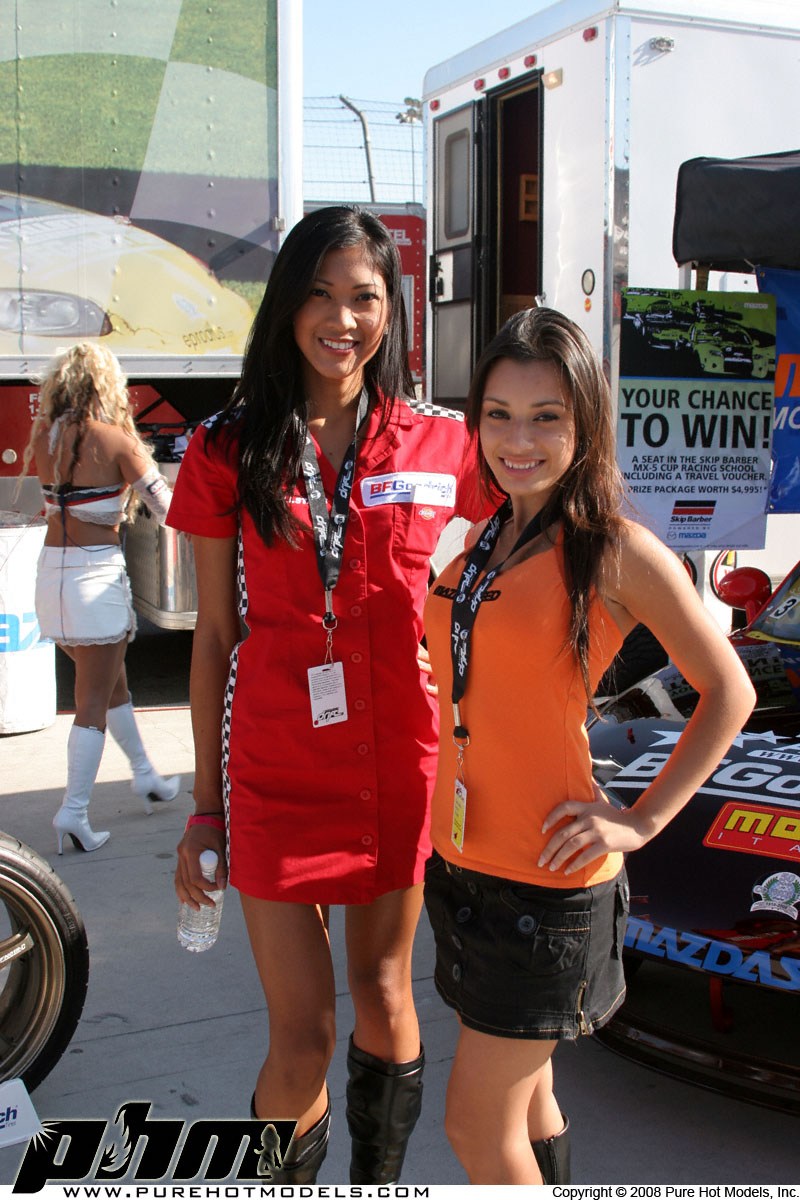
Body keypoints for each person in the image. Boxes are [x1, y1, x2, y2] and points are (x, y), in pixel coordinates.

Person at [168, 206, 484, 1184]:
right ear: (286, 304)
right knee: (301, 1036)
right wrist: (205, 806)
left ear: (391, 311)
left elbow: (511, 563)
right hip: (273, 771)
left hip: (398, 763)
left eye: (363, 297)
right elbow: (214, 637)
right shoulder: (226, 446)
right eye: (318, 294)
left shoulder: (441, 442)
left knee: (386, 997)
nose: (341, 320)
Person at [422, 307, 756, 1185]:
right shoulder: (487, 534)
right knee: (529, 1104)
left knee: (474, 1129)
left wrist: (643, 820)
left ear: (586, 424)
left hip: (547, 888)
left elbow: (730, 690)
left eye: (546, 417)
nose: (517, 439)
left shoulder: (612, 548)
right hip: (462, 867)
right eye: (499, 414)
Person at [19, 343, 180, 855]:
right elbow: (168, 509)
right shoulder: (116, 440)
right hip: (95, 579)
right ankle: (74, 811)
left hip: (52, 576)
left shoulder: (45, 437)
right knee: (91, 700)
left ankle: (145, 774)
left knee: (112, 684)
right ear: (107, 386)